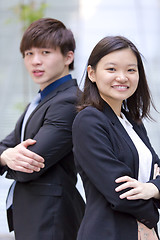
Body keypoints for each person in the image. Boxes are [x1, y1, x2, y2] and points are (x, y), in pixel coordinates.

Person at [0, 18, 85, 240]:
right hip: (36, 215)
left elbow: (31, 164)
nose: (35, 61)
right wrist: (6, 155)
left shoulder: (69, 102)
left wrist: (8, 157)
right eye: (29, 54)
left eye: (45, 53)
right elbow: (6, 147)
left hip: (51, 218)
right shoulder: (39, 102)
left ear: (68, 57)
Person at [72, 36, 160, 240]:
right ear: (92, 73)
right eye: (111, 69)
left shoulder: (133, 122)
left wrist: (150, 188)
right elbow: (120, 193)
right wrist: (154, 206)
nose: (122, 77)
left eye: (131, 70)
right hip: (108, 233)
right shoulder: (89, 121)